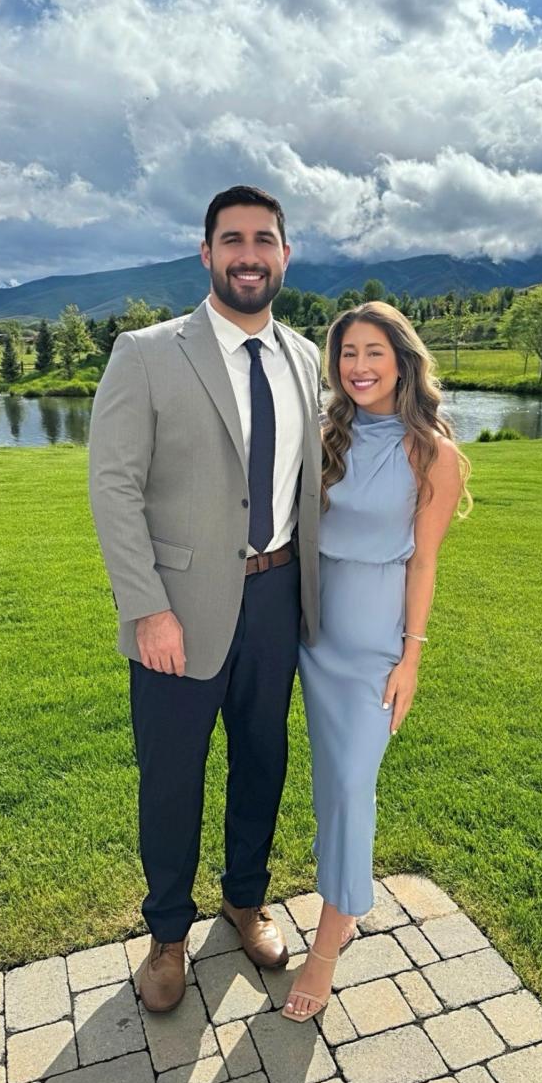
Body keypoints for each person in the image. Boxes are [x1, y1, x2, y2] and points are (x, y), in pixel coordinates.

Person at [87, 185, 323, 1014]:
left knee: (264, 761)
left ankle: (246, 899)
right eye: (232, 239)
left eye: (265, 238)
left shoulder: (304, 357)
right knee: (172, 779)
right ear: (207, 253)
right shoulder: (146, 353)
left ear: (285, 254)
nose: (249, 253)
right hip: (177, 613)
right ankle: (165, 937)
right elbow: (112, 486)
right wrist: (146, 606)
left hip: (276, 600)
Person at [282, 301, 472, 1022]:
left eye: (374, 352)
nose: (359, 366)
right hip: (310, 631)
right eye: (348, 353)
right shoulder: (325, 433)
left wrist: (411, 658)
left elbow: (424, 562)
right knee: (330, 781)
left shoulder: (435, 455)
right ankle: (343, 898)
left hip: (372, 644)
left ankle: (330, 939)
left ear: (403, 360)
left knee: (353, 784)